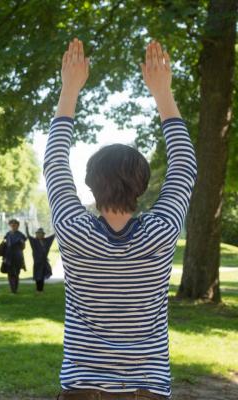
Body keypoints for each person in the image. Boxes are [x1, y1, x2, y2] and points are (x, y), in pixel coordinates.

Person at [45, 39, 197, 400]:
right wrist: (162, 93)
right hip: (148, 388)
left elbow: (54, 162)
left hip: (83, 388)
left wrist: (69, 90)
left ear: (90, 184)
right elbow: (184, 165)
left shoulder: (72, 229)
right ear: (142, 186)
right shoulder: (161, 232)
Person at [25, 222, 55, 292]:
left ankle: (41, 289)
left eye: (41, 233)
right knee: (37, 276)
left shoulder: (47, 241)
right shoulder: (34, 241)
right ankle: (38, 289)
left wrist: (56, 226)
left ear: (43, 235)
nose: (39, 235)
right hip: (37, 262)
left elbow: (54, 235)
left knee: (42, 276)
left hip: (44, 262)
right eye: (38, 233)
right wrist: (26, 227)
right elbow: (28, 236)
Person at [2, 219, 26, 294]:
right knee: (10, 273)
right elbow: (5, 245)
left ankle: (15, 288)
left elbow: (23, 247)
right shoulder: (7, 234)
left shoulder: (21, 235)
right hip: (8, 256)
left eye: (15, 225)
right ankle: (12, 289)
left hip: (17, 256)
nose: (13, 226)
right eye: (12, 225)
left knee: (16, 273)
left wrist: (21, 243)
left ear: (18, 226)